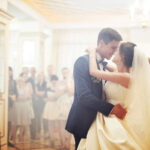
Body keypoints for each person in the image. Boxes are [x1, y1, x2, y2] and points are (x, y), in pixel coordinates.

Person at [78, 42, 150, 150]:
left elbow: (94, 72)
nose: (113, 53)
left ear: (122, 56)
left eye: (116, 51)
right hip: (110, 115)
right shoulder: (122, 74)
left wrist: (92, 52)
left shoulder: (124, 77)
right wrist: (100, 60)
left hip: (113, 120)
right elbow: (110, 67)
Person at [65, 28, 125, 150]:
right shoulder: (83, 62)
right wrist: (111, 109)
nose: (114, 52)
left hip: (101, 122)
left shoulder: (104, 65)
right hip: (84, 120)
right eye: (113, 47)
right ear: (102, 43)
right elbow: (83, 96)